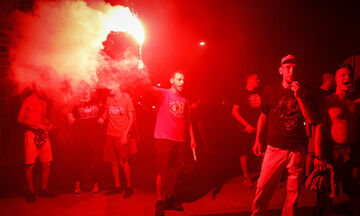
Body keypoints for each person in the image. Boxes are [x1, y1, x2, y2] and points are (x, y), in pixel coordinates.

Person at [251, 54, 316, 216]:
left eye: (294, 68)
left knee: (293, 193)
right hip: (275, 148)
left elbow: (310, 119)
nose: (291, 71)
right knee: (263, 187)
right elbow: (263, 116)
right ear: (280, 70)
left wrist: (298, 96)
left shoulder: (304, 91)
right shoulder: (270, 90)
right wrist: (257, 140)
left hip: (297, 149)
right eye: (287, 68)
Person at [314, 64, 360, 216]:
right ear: (336, 80)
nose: (347, 78)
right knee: (327, 192)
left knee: (353, 191)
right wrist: (319, 156)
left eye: (349, 75)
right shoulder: (327, 101)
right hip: (332, 150)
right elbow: (319, 128)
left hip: (353, 150)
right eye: (343, 75)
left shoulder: (356, 102)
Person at [153, 71, 196, 216]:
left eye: (184, 80)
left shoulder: (185, 100)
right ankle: (160, 201)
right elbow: (147, 87)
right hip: (164, 138)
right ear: (171, 80)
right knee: (162, 170)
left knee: (173, 172)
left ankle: (170, 198)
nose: (182, 82)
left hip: (179, 139)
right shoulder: (163, 93)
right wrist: (140, 71)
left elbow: (188, 121)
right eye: (179, 79)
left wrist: (192, 139)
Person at [17, 85, 57, 202]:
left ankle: (44, 189)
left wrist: (49, 124)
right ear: (34, 88)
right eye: (40, 87)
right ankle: (31, 191)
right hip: (31, 134)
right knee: (30, 165)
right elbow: (20, 119)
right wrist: (34, 125)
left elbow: (44, 118)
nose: (43, 89)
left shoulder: (44, 103)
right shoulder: (27, 101)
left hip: (43, 135)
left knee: (47, 164)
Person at [98, 85, 135, 198]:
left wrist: (125, 134)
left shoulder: (126, 98)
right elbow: (106, 112)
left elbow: (132, 118)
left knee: (123, 162)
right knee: (113, 162)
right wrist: (102, 118)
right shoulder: (109, 99)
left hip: (122, 135)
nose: (109, 89)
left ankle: (129, 187)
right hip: (110, 134)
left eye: (111, 86)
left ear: (118, 85)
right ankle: (117, 187)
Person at [68, 87, 103, 195]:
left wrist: (102, 118)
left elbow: (106, 110)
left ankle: (96, 186)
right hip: (80, 138)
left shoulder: (97, 102)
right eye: (83, 90)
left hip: (94, 137)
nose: (85, 92)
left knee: (94, 162)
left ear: (90, 92)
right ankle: (77, 186)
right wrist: (69, 117)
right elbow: (70, 120)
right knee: (79, 162)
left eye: (87, 90)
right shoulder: (76, 104)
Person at [232, 74, 261, 187]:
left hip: (259, 127)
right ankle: (246, 177)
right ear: (249, 80)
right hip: (246, 129)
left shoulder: (260, 93)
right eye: (256, 79)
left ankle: (263, 176)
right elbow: (234, 111)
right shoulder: (240, 93)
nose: (258, 81)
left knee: (263, 151)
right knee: (244, 152)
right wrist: (246, 125)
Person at [306, 72, 334, 177]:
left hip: (326, 125)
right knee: (311, 152)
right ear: (329, 79)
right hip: (315, 125)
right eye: (334, 79)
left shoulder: (331, 94)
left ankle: (321, 174)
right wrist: (308, 126)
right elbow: (309, 110)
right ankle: (308, 175)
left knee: (321, 151)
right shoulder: (317, 93)